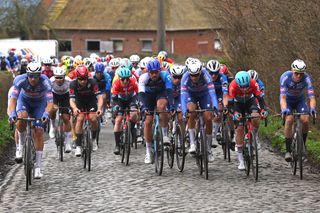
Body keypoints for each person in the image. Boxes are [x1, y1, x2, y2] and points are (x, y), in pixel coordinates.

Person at [8, 62, 53, 178]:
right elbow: (13, 99)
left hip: (39, 104)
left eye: (36, 76)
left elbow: (50, 103)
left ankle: (38, 167)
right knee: (21, 118)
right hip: (24, 102)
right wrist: (12, 113)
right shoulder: (20, 80)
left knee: (38, 131)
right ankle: (20, 147)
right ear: (27, 74)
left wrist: (46, 113)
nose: (33, 79)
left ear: (40, 75)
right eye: (31, 76)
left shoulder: (45, 82)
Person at [181, 58, 219, 162]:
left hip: (204, 94)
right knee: (191, 112)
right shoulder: (185, 77)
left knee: (208, 117)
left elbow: (212, 92)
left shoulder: (206, 74)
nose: (194, 77)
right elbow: (183, 96)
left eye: (196, 75)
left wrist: (215, 106)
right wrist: (184, 111)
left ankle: (209, 149)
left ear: (200, 72)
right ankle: (192, 143)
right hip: (191, 94)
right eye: (192, 75)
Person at [228, 71, 268, 170]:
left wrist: (263, 110)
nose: (245, 89)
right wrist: (234, 113)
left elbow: (260, 99)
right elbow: (230, 104)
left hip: (250, 101)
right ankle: (241, 160)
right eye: (242, 87)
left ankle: (253, 134)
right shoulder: (232, 85)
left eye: (246, 86)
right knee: (240, 128)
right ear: (237, 83)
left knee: (255, 116)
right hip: (237, 104)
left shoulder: (254, 83)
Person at [280, 59, 316, 162]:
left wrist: (313, 108)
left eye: (301, 73)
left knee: (305, 119)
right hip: (288, 101)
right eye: (296, 73)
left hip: (300, 100)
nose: (299, 76)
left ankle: (302, 146)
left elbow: (311, 97)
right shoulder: (285, 77)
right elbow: (282, 98)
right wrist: (284, 109)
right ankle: (287, 150)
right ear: (292, 70)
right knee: (289, 119)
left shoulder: (307, 78)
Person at [138, 58, 174, 164]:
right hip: (148, 97)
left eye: (156, 72)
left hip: (161, 94)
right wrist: (143, 107)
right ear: (148, 72)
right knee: (148, 122)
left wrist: (171, 105)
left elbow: (169, 90)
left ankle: (165, 135)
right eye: (152, 73)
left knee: (161, 107)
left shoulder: (165, 75)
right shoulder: (143, 78)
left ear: (160, 70)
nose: (154, 75)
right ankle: (148, 151)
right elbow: (141, 95)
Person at [69, 66, 103, 156]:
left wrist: (99, 108)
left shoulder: (93, 82)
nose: (83, 81)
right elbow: (71, 100)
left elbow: (99, 97)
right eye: (80, 79)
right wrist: (75, 108)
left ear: (87, 77)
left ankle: (94, 139)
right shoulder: (73, 84)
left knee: (93, 118)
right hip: (79, 102)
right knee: (80, 119)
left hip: (90, 101)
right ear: (77, 77)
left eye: (85, 79)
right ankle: (78, 146)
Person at [111, 67, 139, 154]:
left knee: (134, 113)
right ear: (120, 78)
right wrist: (115, 107)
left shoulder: (133, 82)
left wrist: (138, 105)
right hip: (120, 101)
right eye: (123, 79)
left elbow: (138, 94)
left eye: (127, 79)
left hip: (131, 99)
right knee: (118, 120)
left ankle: (132, 128)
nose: (125, 81)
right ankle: (117, 145)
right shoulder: (116, 83)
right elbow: (114, 98)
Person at [49, 67, 72, 153]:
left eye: (61, 77)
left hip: (65, 96)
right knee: (52, 110)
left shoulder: (69, 81)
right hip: (54, 95)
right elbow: (46, 93)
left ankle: (68, 142)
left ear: (64, 77)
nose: (58, 80)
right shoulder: (50, 81)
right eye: (57, 77)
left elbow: (73, 92)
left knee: (66, 118)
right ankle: (52, 126)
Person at [206, 59, 229, 148]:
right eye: (211, 73)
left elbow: (225, 94)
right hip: (207, 94)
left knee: (219, 110)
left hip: (218, 94)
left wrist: (225, 105)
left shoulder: (223, 77)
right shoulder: (204, 76)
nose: (214, 75)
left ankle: (214, 135)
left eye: (216, 73)